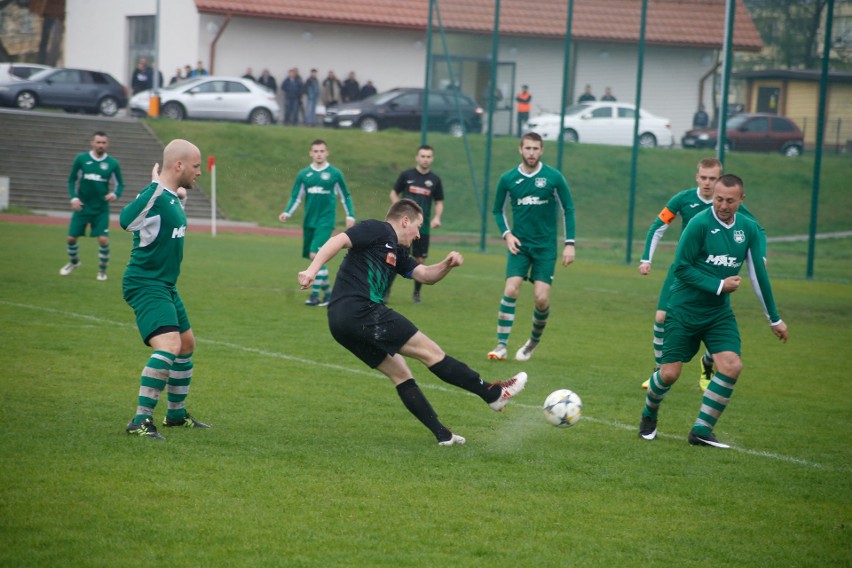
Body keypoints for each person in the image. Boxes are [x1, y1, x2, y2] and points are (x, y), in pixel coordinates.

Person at [298, 199, 528, 445]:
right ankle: (492, 393)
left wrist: (447, 264)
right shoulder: (378, 229)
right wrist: (312, 270)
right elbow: (338, 240)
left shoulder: (397, 252)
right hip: (361, 310)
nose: (419, 234)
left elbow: (425, 275)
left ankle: (443, 435)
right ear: (405, 220)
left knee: (400, 373)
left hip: (340, 321)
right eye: (417, 226)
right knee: (432, 353)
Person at [638, 174, 788, 448]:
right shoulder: (698, 225)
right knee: (669, 374)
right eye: (718, 199)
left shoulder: (748, 229)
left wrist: (774, 319)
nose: (722, 205)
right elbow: (681, 268)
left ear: (741, 200)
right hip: (683, 309)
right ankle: (649, 414)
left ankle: (701, 430)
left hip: (718, 314)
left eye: (730, 200)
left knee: (732, 366)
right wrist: (719, 284)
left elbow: (758, 276)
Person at [638, 158, 764, 391]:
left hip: (717, 272)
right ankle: (660, 370)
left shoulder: (729, 203)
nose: (708, 183)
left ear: (720, 180)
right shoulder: (683, 199)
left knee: (711, 319)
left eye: (713, 178)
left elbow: (758, 230)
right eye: (704, 178)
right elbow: (658, 226)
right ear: (697, 177)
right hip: (684, 271)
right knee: (660, 317)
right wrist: (647, 258)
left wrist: (760, 256)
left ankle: (707, 366)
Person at [120, 139, 209, 440]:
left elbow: (163, 220)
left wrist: (173, 195)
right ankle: (140, 421)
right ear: (179, 165)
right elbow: (125, 221)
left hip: (166, 284)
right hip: (145, 283)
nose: (199, 172)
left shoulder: (170, 196)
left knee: (186, 345)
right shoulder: (156, 194)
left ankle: (175, 415)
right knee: (169, 346)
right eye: (196, 167)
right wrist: (155, 187)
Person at [488, 132, 576, 362]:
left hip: (545, 248)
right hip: (520, 245)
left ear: (542, 150)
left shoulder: (553, 178)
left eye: (536, 149)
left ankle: (532, 342)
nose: (531, 153)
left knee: (541, 299)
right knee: (511, 289)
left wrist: (570, 244)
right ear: (520, 149)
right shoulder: (508, 179)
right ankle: (500, 346)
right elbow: (497, 210)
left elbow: (568, 209)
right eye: (527, 148)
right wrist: (507, 235)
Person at [279, 139, 355, 306]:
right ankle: (328, 295)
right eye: (316, 151)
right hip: (309, 221)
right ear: (310, 153)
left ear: (327, 153)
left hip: (326, 221)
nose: (319, 154)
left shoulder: (335, 174)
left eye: (322, 151)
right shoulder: (304, 174)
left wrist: (350, 215)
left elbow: (345, 196)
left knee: (315, 256)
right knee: (313, 258)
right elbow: (296, 196)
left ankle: (314, 296)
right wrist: (287, 212)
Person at [60, 131, 125, 281]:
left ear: (107, 144)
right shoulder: (81, 159)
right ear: (92, 143)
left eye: (103, 142)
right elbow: (71, 180)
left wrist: (115, 194)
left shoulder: (112, 163)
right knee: (71, 238)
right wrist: (73, 198)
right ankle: (74, 262)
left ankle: (102, 271)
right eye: (98, 142)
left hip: (101, 208)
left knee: (103, 239)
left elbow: (120, 184)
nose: (101, 145)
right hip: (82, 206)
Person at [387, 145, 445, 304]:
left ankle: (416, 294)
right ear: (417, 157)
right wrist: (398, 209)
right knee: (395, 258)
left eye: (428, 156)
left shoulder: (435, 180)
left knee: (420, 260)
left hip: (423, 228)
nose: (425, 159)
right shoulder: (407, 175)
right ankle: (385, 292)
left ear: (431, 159)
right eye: (423, 156)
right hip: (404, 228)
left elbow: (439, 202)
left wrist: (437, 217)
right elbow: (393, 193)